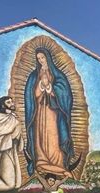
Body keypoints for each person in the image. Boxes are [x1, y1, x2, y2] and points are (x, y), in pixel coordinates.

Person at [24, 47, 74, 178]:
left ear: (48, 57)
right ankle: (42, 162)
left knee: (54, 137)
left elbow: (65, 92)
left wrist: (50, 88)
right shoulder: (34, 76)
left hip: (53, 112)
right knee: (40, 137)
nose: (41, 60)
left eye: (42, 57)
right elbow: (31, 95)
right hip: (39, 112)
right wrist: (40, 86)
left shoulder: (57, 74)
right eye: (38, 58)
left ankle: (59, 166)